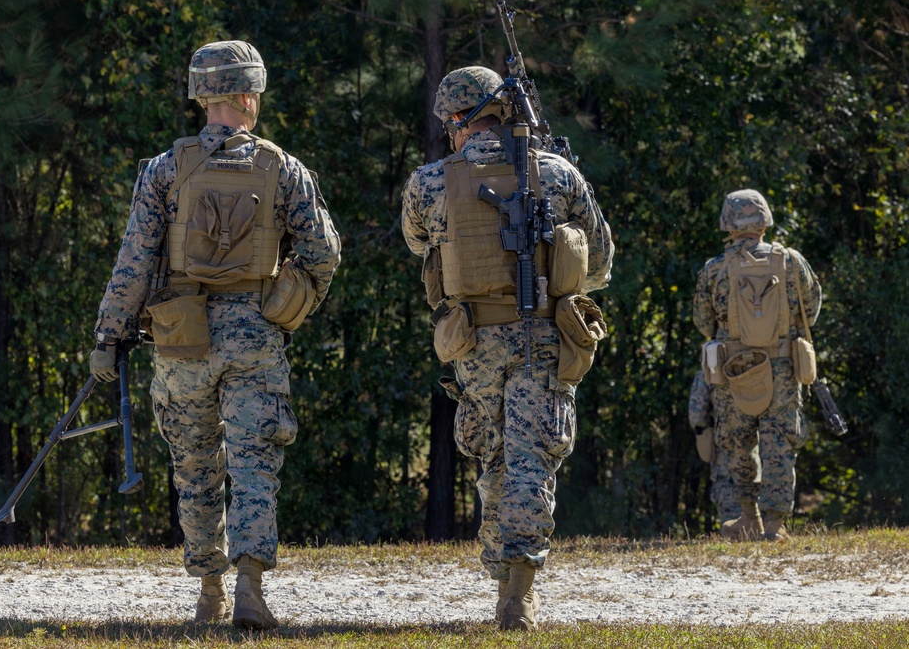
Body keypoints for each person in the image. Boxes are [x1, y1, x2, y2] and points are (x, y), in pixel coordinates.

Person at [89, 40, 341, 629]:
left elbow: (134, 262)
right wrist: (285, 307)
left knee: (195, 465)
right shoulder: (286, 169)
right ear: (249, 95)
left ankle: (209, 594)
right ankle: (250, 588)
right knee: (255, 464)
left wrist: (110, 337)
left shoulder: (163, 170)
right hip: (255, 333)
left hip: (182, 338)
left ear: (203, 96)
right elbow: (323, 253)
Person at [401, 66, 613, 630]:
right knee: (531, 460)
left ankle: (505, 579)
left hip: (475, 342)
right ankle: (518, 590)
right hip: (543, 333)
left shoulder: (428, 182)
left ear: (455, 120)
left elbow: (418, 242)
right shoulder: (559, 174)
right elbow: (600, 262)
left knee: (494, 458)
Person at [692, 189, 820, 542]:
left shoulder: (715, 268)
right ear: (764, 221)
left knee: (737, 443)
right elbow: (810, 312)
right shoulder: (792, 262)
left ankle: (748, 518)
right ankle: (776, 524)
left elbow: (703, 323)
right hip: (782, 366)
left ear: (728, 225)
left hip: (735, 369)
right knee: (780, 442)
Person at [688, 370, 741, 524]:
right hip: (760, 454)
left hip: (725, 455)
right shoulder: (757, 360)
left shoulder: (710, 369)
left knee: (731, 521)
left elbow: (696, 415)